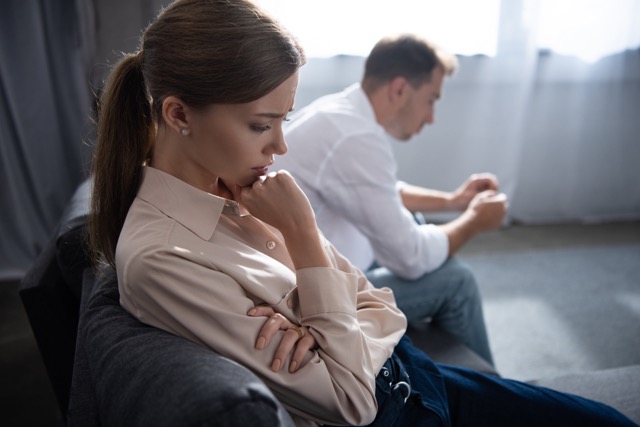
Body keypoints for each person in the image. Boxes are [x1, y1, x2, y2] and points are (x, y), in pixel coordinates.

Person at [87, 1, 637, 426]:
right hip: (401, 408)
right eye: (261, 125)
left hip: (414, 374)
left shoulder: (237, 187)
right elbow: (353, 400)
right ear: (179, 114)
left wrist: (324, 325)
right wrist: (302, 237)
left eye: (284, 120)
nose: (280, 146)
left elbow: (386, 309)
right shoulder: (163, 256)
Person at [274, 34, 506, 364]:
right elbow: (409, 258)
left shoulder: (338, 111)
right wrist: (474, 222)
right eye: (431, 100)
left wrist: (454, 201)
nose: (431, 117)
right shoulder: (355, 136)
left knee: (418, 227)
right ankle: (489, 399)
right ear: (399, 89)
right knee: (457, 281)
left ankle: (435, 364)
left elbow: (380, 191)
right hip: (313, 298)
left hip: (318, 267)